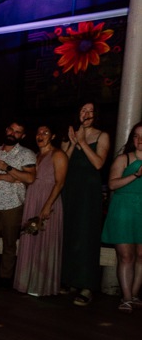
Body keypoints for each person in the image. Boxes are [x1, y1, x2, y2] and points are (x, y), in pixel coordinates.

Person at [60, 101, 110, 306]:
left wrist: (82, 142)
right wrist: (73, 143)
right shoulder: (70, 134)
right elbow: (62, 162)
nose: (86, 113)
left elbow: (98, 163)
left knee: (86, 235)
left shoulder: (102, 135)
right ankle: (70, 280)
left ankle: (87, 286)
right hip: (70, 189)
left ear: (96, 114)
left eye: (90, 110)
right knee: (69, 233)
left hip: (89, 192)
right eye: (83, 110)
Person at [0, 121, 36, 288]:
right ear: (6, 130)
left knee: (10, 244)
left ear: (22, 136)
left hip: (13, 204)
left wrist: (7, 168)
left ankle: (5, 278)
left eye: (18, 132)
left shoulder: (27, 154)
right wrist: (3, 176)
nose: (13, 133)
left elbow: (30, 178)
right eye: (11, 129)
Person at [13, 125, 68, 296]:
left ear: (52, 137)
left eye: (45, 133)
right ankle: (27, 283)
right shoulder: (34, 155)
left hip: (48, 199)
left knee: (46, 242)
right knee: (30, 240)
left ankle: (43, 286)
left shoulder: (58, 154)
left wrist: (47, 205)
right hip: (32, 199)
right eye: (38, 132)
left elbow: (60, 182)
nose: (41, 135)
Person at [101, 122, 142, 313]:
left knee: (141, 256)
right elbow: (112, 185)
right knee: (126, 256)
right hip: (124, 209)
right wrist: (136, 175)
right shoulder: (123, 159)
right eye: (136, 136)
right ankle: (125, 298)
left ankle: (133, 295)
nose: (139, 140)